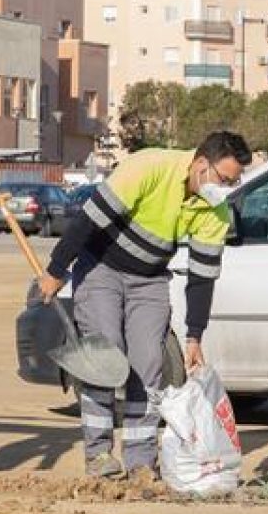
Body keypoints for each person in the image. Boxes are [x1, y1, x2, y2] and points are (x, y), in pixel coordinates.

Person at [37, 130, 251, 477]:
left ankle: (140, 459)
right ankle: (98, 455)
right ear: (200, 164)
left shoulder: (216, 210)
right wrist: (56, 270)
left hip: (150, 279)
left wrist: (194, 336)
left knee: (149, 363)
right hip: (101, 269)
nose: (225, 189)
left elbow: (202, 277)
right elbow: (88, 221)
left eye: (234, 182)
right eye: (224, 179)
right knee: (105, 353)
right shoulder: (149, 167)